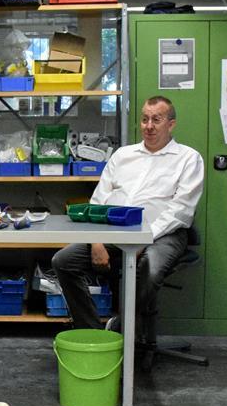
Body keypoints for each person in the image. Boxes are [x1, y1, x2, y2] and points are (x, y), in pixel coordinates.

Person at [52, 96, 204, 364]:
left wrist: (145, 238)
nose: (149, 126)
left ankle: (122, 330)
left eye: (156, 119)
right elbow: (98, 201)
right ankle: (93, 334)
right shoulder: (123, 155)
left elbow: (181, 211)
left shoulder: (188, 159)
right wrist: (97, 240)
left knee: (149, 269)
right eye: (145, 119)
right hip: (113, 231)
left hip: (164, 235)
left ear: (172, 124)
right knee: (63, 260)